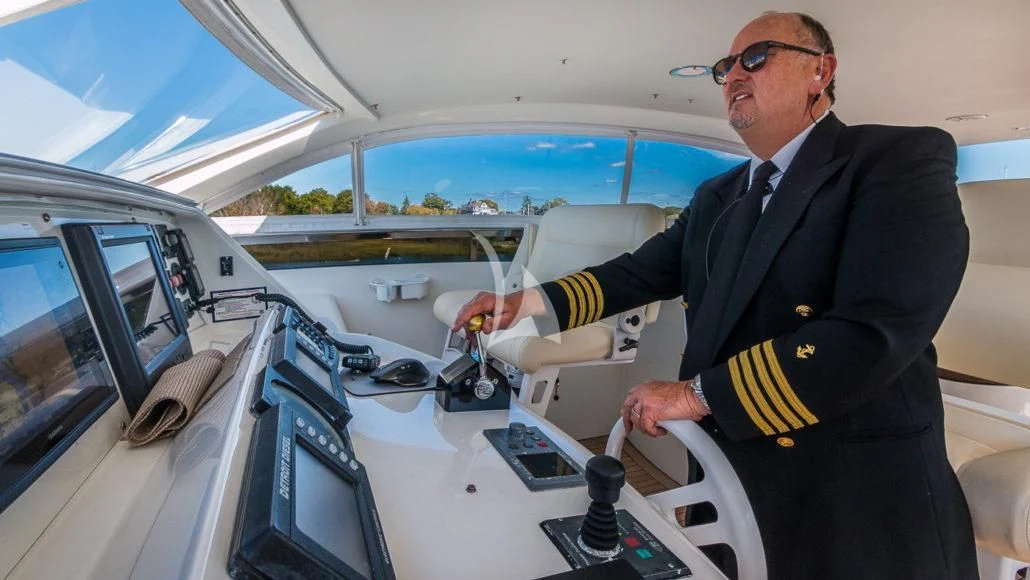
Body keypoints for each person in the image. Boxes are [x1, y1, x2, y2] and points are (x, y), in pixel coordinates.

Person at [452, 11, 978, 580]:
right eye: (725, 67)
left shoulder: (895, 161)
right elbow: (633, 274)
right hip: (728, 460)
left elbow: (876, 331)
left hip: (851, 483)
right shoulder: (718, 196)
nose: (732, 76)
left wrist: (696, 395)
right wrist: (519, 305)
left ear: (819, 72)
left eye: (756, 57)